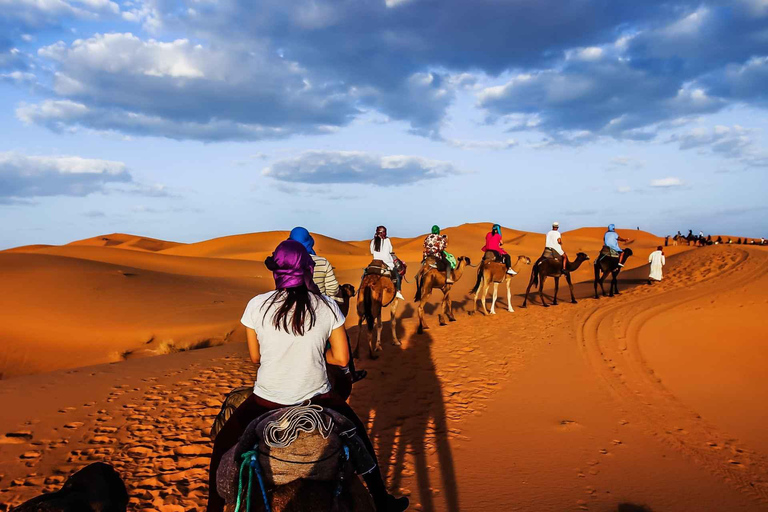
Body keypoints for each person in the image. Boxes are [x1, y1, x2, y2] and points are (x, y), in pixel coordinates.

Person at [207, 240, 409, 512]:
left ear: (276, 271)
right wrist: (314, 353)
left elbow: (256, 358)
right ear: (308, 269)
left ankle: (212, 507)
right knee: (359, 438)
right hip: (319, 398)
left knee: (222, 445)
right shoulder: (327, 306)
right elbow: (341, 359)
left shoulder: (256, 305)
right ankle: (382, 502)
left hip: (266, 400)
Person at [289, 227, 366, 384]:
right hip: (319, 311)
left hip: (292, 311)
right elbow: (332, 290)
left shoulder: (287, 263)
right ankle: (349, 373)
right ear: (310, 241)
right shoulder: (322, 263)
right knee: (342, 339)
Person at [370, 226, 404, 300]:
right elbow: (390, 250)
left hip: (375, 262)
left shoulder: (373, 241)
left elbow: (372, 252)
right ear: (382, 233)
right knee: (397, 274)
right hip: (387, 262)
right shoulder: (387, 240)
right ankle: (398, 291)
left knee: (366, 273)